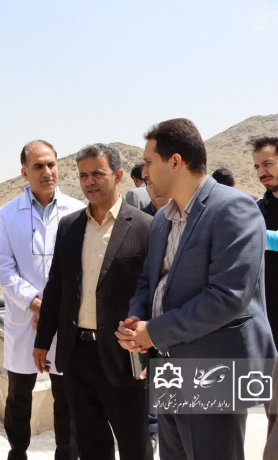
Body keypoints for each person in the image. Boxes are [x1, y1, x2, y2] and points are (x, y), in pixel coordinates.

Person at [118, 118, 277, 460]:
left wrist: (154, 332)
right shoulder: (162, 220)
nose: (144, 172)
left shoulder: (234, 208)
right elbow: (150, 282)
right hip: (169, 365)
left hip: (216, 363)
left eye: (149, 162)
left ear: (175, 161)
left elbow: (229, 296)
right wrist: (136, 320)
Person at [33, 144, 154, 460]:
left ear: (117, 175)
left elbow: (156, 294)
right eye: (83, 175)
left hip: (124, 356)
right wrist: (43, 340)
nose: (89, 181)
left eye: (97, 174)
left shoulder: (145, 227)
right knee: (90, 445)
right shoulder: (69, 227)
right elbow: (56, 288)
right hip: (78, 355)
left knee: (135, 445)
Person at [0, 140, 83, 460]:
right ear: (24, 173)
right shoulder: (7, 214)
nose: (47, 172)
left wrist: (57, 308)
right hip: (24, 319)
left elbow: (82, 267)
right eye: (38, 166)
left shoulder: (77, 210)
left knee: (66, 397)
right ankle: (17, 452)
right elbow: (2, 267)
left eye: (51, 164)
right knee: (19, 396)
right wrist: (34, 303)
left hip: (64, 319)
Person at [252, 136, 278, 347]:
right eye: (257, 167)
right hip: (267, 321)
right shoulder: (257, 210)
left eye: (267, 164)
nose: (261, 172)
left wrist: (258, 236)